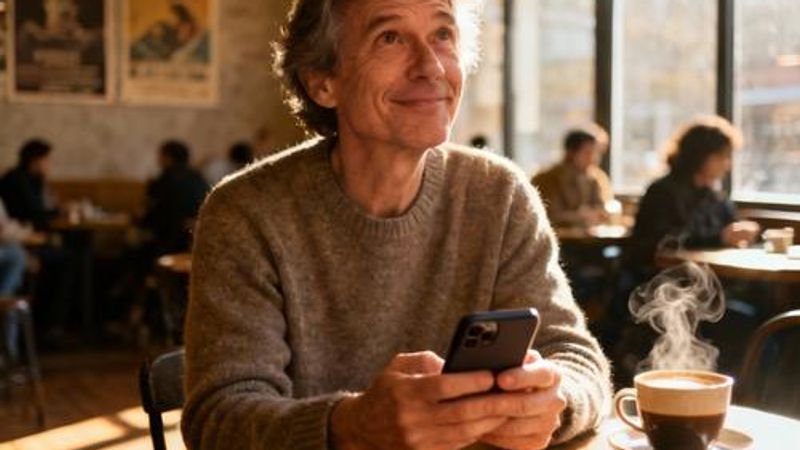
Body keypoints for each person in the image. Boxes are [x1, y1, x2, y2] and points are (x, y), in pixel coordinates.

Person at [182, 1, 611, 449]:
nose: (431, 67)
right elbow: (218, 420)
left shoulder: (498, 194)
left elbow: (578, 360)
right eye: (390, 38)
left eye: (443, 36)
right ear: (322, 82)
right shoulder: (247, 212)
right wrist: (349, 426)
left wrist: (553, 401)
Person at [626, 116, 760, 273]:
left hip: (709, 278)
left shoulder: (715, 197)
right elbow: (663, 244)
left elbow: (731, 227)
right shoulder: (662, 192)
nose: (727, 165)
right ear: (701, 156)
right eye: (722, 156)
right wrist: (720, 238)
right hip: (668, 283)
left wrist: (744, 232)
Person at [531, 126, 613, 227]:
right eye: (587, 153)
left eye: (596, 153)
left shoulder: (596, 178)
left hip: (591, 239)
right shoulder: (546, 179)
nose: (594, 159)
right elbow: (549, 217)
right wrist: (581, 217)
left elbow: (603, 211)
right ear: (570, 153)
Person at [141, 140, 209, 255]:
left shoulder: (164, 180)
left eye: (160, 156)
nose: (158, 160)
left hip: (169, 241)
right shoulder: (199, 178)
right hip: (195, 241)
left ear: (168, 158)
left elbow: (155, 214)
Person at [0, 139, 60, 231]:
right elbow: (35, 214)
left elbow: (43, 208)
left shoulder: (34, 179)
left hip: (23, 229)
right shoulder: (17, 178)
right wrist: (60, 212)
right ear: (35, 160)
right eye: (46, 160)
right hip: (18, 232)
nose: (49, 164)